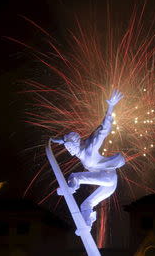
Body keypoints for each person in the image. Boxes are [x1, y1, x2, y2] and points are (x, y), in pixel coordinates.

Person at [51, 90, 125, 229]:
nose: (70, 151)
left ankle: (71, 187)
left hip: (108, 177)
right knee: (86, 205)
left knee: (74, 176)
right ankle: (87, 224)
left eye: (71, 147)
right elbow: (67, 140)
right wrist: (59, 141)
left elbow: (104, 130)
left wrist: (110, 107)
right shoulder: (79, 150)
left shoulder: (90, 147)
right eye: (68, 149)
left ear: (77, 143)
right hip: (110, 186)